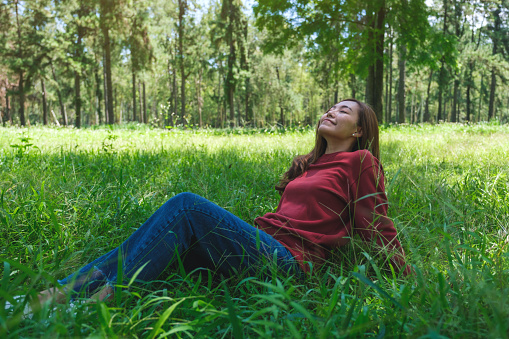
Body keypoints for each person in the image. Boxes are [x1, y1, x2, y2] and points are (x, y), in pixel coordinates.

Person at [38, 98, 409, 304]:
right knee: (162, 240)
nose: (331, 111)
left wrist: (405, 278)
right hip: (261, 247)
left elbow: (375, 222)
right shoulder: (307, 166)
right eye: (331, 106)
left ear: (359, 130)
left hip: (289, 263)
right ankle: (55, 296)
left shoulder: (361, 161)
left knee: (186, 206)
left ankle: (98, 302)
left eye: (344, 111)